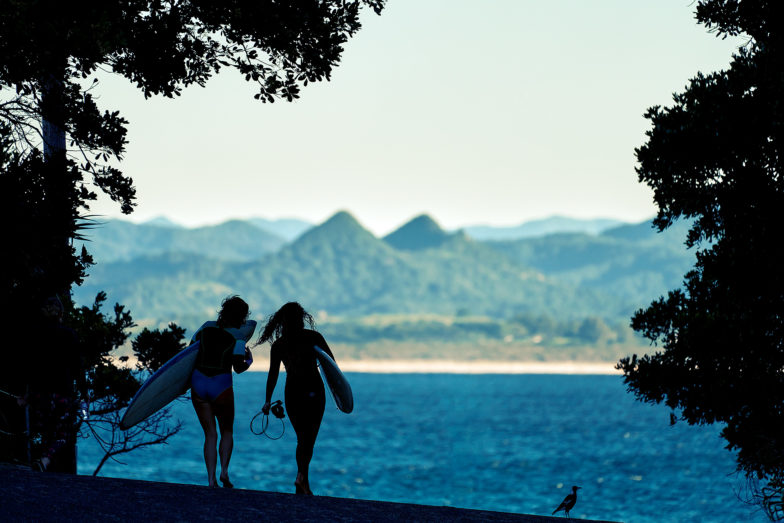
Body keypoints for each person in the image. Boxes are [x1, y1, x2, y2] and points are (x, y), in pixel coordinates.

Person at [259, 302, 335, 495]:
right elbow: (331, 363)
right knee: (309, 438)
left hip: (292, 392)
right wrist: (339, 391)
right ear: (302, 318)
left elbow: (273, 374)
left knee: (303, 437)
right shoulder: (313, 337)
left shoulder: (279, 345)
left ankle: (303, 482)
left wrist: (267, 400)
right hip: (313, 391)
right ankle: (302, 477)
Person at [190, 295, 253, 488]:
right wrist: (249, 361)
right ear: (242, 317)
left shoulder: (205, 327)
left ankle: (211, 480)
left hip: (198, 383)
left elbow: (190, 350)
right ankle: (224, 471)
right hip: (221, 386)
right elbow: (238, 366)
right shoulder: (239, 336)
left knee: (210, 434)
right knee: (227, 431)